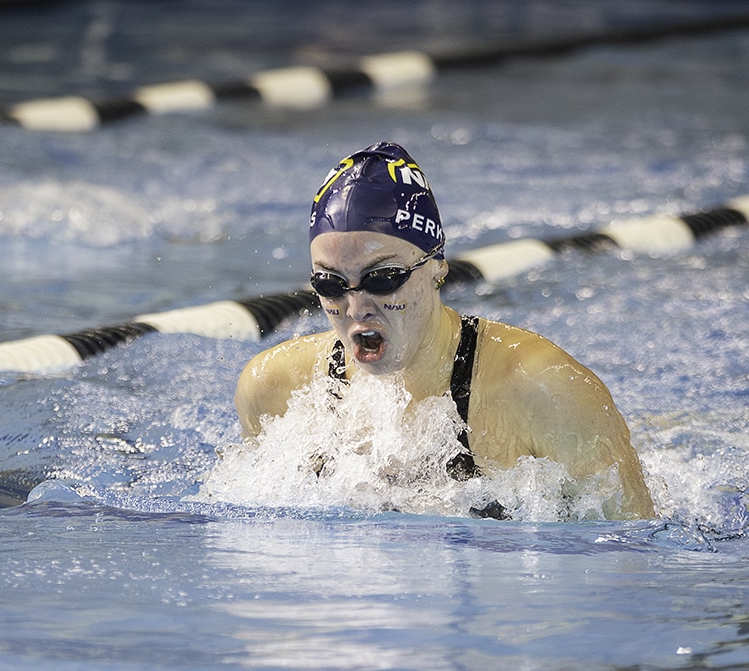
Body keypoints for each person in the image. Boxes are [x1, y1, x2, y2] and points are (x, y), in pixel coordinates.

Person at [234, 141, 655, 519]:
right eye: (331, 284)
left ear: (437, 268)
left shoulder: (542, 391)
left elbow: (632, 553)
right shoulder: (274, 389)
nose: (356, 307)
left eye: (384, 278)